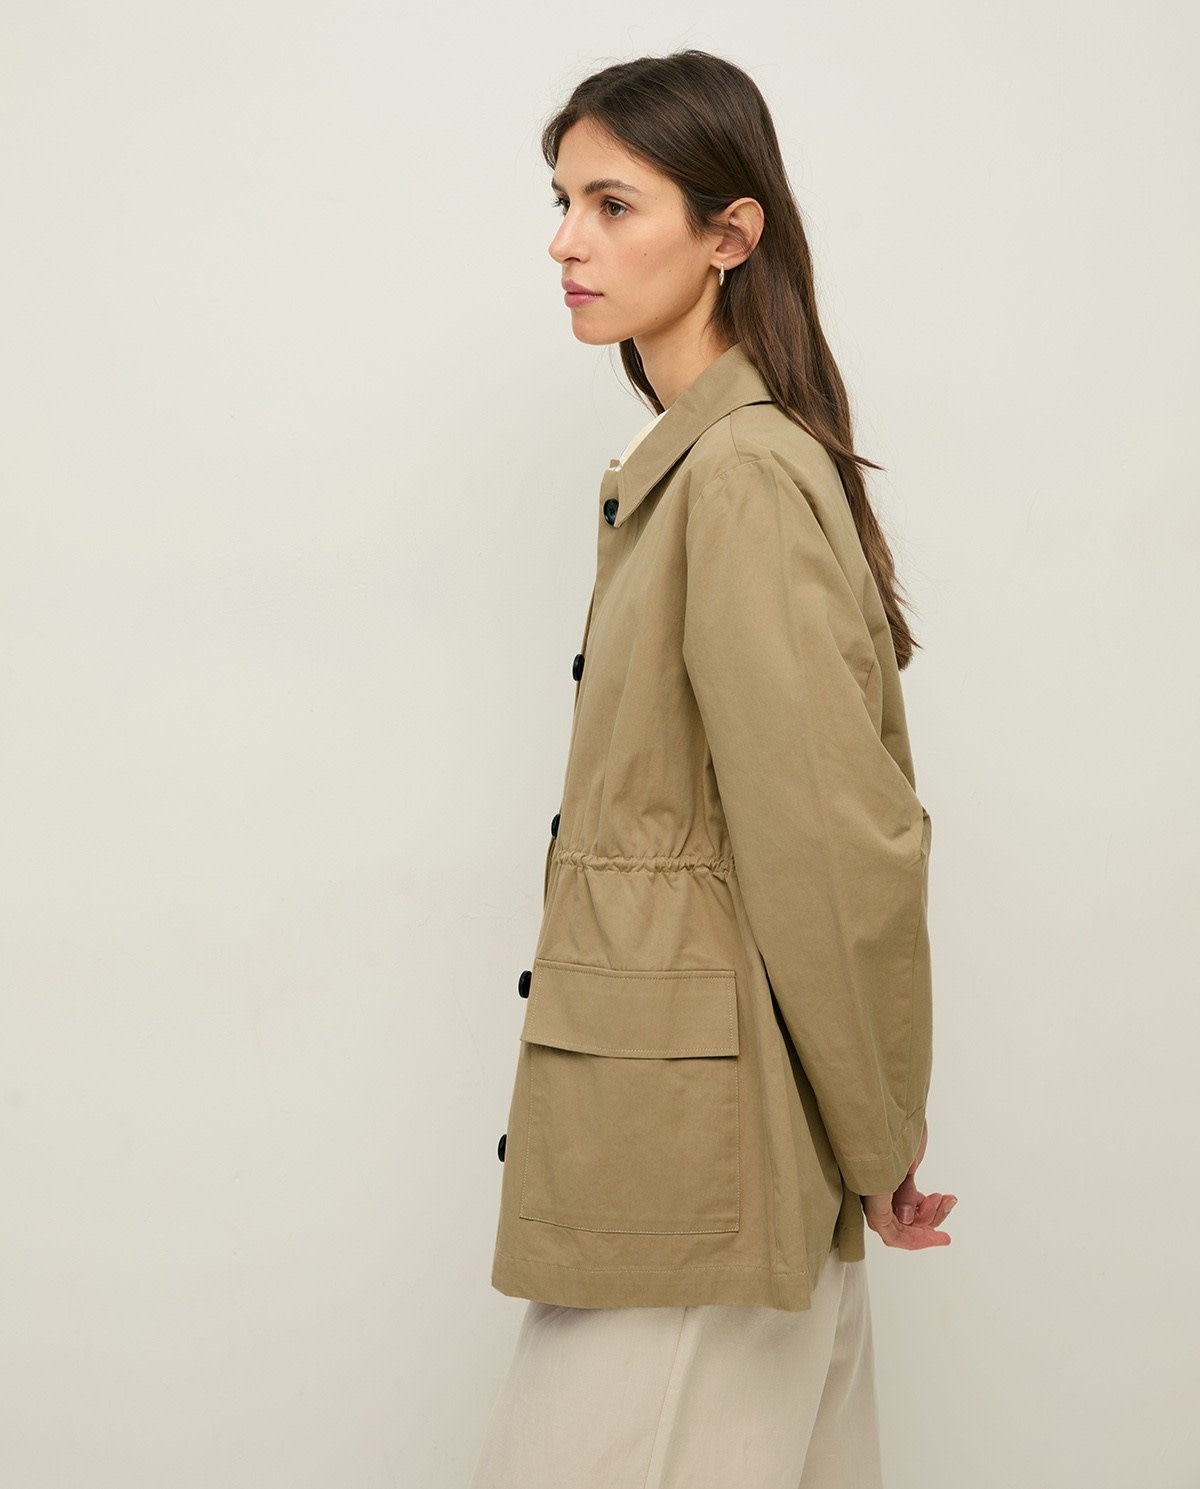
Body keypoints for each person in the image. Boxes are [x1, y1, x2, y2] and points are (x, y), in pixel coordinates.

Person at [471, 48, 958, 1489]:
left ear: (730, 233)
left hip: (692, 1161)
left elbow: (833, 840)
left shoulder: (735, 475)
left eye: (613, 204)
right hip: (703, 1144)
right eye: (563, 202)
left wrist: (878, 1131)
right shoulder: (697, 468)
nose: (567, 242)